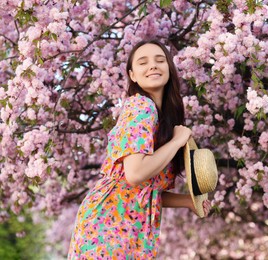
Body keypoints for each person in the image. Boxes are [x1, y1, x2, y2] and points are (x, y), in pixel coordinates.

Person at [68, 39, 212, 259]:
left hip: (129, 225)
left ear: (169, 70)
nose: (153, 65)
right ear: (132, 75)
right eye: (143, 62)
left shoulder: (160, 118)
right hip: (110, 225)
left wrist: (187, 202)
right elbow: (135, 175)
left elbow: (144, 190)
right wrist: (176, 142)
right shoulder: (141, 106)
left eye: (159, 60)